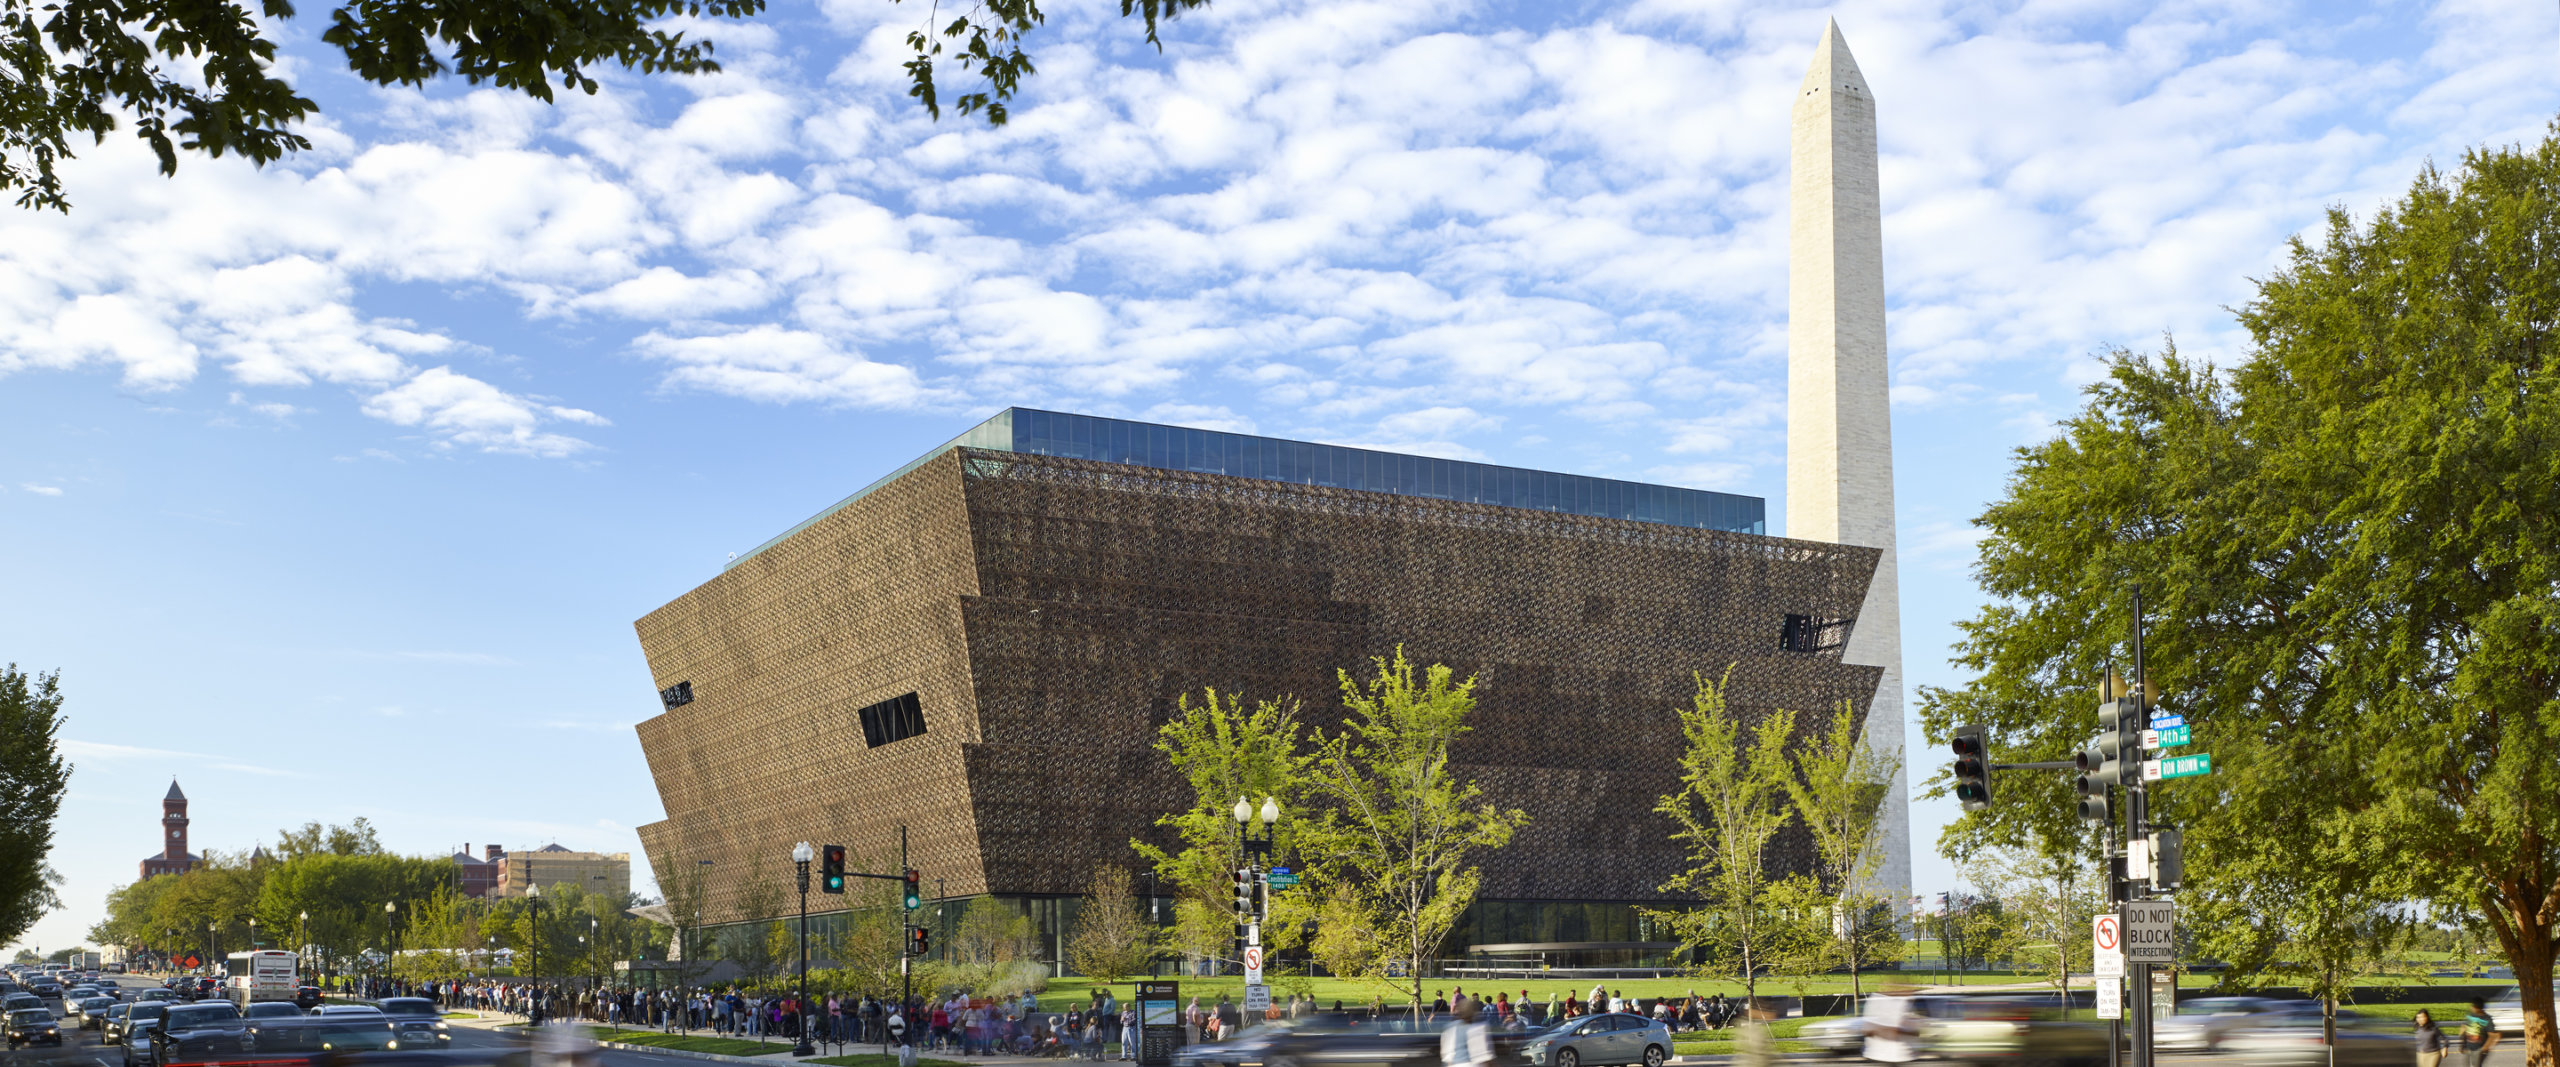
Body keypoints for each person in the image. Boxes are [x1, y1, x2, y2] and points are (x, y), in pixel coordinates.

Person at [1862, 985, 1918, 1065]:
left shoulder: (1905, 1004)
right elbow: (1867, 1029)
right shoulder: (1878, 1002)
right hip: (1883, 1054)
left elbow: (1914, 1031)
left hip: (1898, 1055)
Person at [2460, 999, 2501, 1067]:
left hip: (2479, 1049)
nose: (2471, 1008)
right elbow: (2464, 1028)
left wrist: (2484, 1048)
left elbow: (2492, 1035)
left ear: (2478, 1008)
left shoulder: (2487, 1019)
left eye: (2472, 1006)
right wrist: (2462, 1044)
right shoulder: (2470, 1015)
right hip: (2468, 1047)